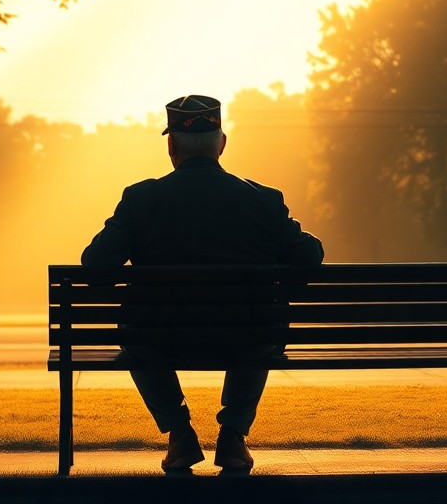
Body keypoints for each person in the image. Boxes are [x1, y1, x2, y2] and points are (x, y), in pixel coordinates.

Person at [81, 94, 324, 474]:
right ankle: (233, 437)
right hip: (246, 336)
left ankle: (179, 434)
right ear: (221, 144)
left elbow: (95, 262)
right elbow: (309, 256)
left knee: (138, 335)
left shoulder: (141, 199)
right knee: (259, 328)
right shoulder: (263, 201)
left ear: (172, 147)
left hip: (162, 338)